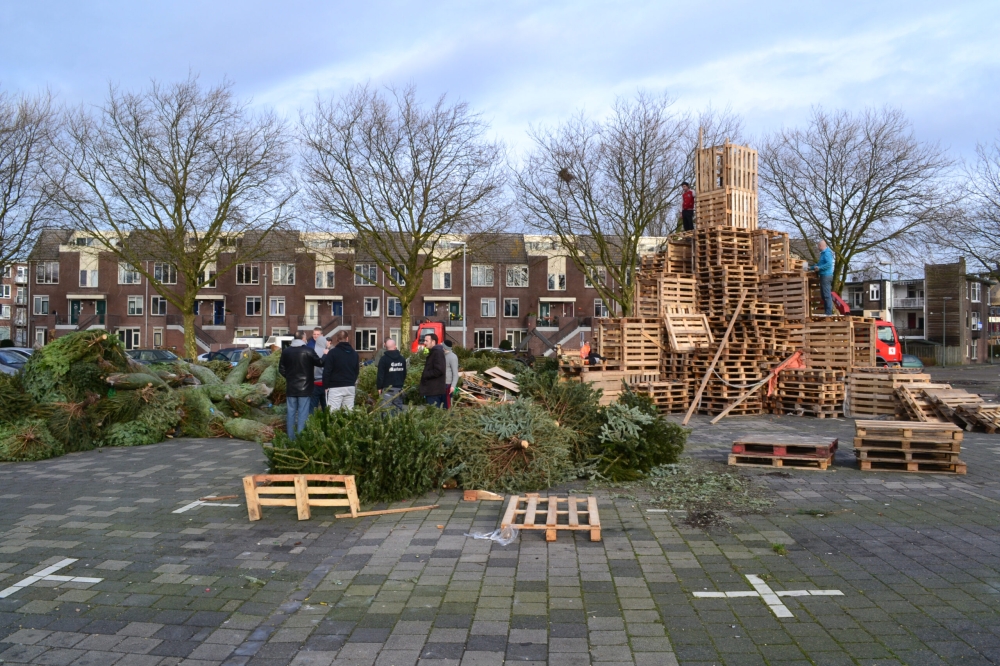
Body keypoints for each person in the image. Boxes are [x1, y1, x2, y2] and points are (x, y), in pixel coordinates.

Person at [277, 336, 321, 440]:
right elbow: (320, 363)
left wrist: (289, 377)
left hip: (291, 387)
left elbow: (281, 368)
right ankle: (300, 439)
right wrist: (325, 354)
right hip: (305, 388)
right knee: (303, 414)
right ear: (303, 338)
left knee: (291, 413)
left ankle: (291, 439)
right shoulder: (309, 350)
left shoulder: (286, 351)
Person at [323, 330, 359, 410]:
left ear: (336, 339)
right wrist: (351, 381)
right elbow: (356, 371)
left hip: (336, 387)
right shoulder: (354, 354)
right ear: (347, 338)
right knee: (348, 413)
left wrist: (326, 385)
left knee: (333, 413)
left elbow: (327, 371)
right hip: (350, 386)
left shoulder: (332, 353)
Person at [376, 339, 407, 412]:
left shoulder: (383, 359)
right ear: (395, 346)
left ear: (386, 347)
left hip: (387, 390)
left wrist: (379, 387)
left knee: (385, 411)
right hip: (398, 389)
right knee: (398, 412)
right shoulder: (402, 359)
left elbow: (380, 375)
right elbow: (404, 373)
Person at [418, 333, 448, 407]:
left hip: (434, 391)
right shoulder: (434, 352)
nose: (424, 343)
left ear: (433, 342)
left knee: (433, 413)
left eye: (426, 341)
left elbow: (439, 370)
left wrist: (426, 374)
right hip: (433, 390)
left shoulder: (437, 352)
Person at [809, 240, 835, 316]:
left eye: (818, 246)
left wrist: (820, 268)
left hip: (826, 276)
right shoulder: (823, 254)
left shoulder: (827, 253)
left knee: (826, 295)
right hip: (824, 275)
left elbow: (829, 264)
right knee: (823, 295)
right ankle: (827, 312)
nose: (817, 248)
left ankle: (828, 313)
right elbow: (819, 264)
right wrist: (810, 268)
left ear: (820, 246)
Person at [309, 328, 328, 413]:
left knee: (313, 408)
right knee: (326, 408)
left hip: (315, 383)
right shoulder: (327, 351)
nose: (316, 336)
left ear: (322, 335)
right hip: (321, 383)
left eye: (318, 334)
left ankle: (312, 425)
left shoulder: (310, 349)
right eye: (314, 334)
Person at [443, 340, 459, 409]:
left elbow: (455, 374)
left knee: (448, 405)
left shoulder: (453, 357)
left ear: (445, 348)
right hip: (441, 383)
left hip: (448, 385)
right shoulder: (442, 355)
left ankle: (450, 417)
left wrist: (453, 386)